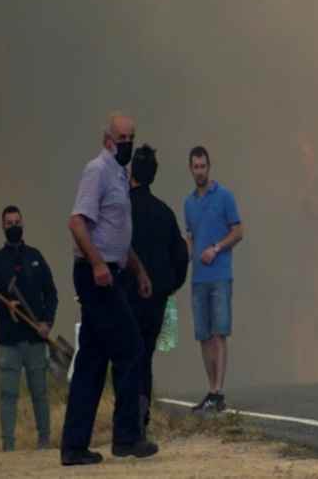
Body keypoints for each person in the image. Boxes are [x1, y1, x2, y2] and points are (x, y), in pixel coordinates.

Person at [60, 112, 158, 466]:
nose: (128, 143)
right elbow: (77, 222)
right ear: (107, 139)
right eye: (123, 137)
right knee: (131, 348)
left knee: (91, 360)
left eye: (132, 136)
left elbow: (117, 233)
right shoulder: (97, 171)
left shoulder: (119, 175)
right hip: (95, 276)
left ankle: (73, 447)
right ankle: (127, 437)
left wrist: (139, 269)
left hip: (112, 271)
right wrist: (99, 263)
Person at [129, 144, 188, 436]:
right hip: (154, 302)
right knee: (145, 357)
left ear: (131, 173)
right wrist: (167, 288)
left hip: (124, 299)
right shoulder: (164, 213)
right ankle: (141, 415)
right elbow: (180, 256)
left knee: (126, 357)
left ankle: (127, 419)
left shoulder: (120, 209)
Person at [0, 206, 58, 451]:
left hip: (35, 338)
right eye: (9, 223)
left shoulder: (35, 256)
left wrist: (47, 323)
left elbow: (51, 293)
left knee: (40, 393)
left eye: (17, 222)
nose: (13, 226)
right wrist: (4, 305)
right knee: (8, 394)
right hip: (9, 341)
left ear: (23, 224)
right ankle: (8, 447)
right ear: (3, 226)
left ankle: (44, 442)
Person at [184, 145, 243, 413]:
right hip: (198, 279)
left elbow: (239, 230)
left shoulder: (225, 196)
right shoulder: (188, 203)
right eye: (195, 167)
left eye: (203, 166)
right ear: (191, 169)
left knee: (219, 333)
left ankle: (219, 391)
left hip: (220, 275)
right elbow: (191, 237)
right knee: (203, 336)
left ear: (209, 167)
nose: (200, 171)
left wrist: (217, 248)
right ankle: (211, 390)